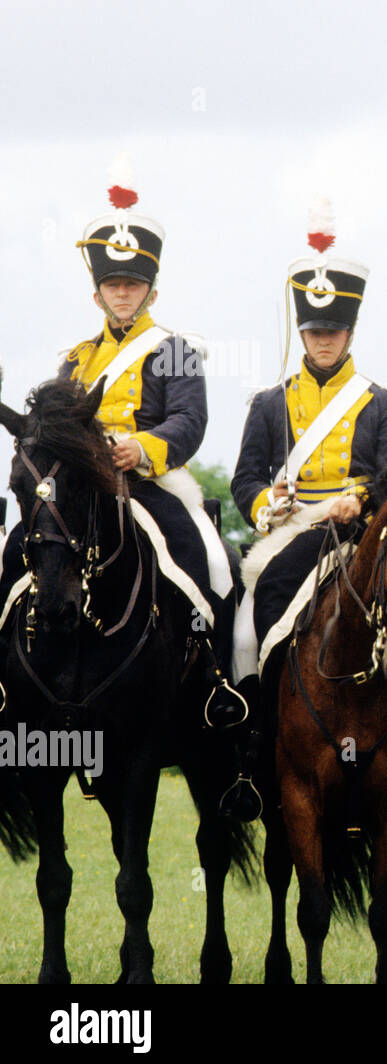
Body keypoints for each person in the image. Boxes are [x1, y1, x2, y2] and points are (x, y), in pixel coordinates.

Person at [0, 156, 242, 727]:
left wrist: (142, 448)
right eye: (113, 283)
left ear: (151, 290)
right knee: (17, 552)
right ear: (97, 294)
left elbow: (189, 420)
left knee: (208, 557)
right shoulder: (75, 360)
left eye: (133, 283)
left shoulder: (176, 348)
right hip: (83, 490)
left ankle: (216, 679)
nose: (124, 292)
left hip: (150, 481)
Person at [229, 198, 387, 744]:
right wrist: (268, 503)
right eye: (314, 330)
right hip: (295, 534)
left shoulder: (383, 404)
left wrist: (359, 496)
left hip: (369, 536)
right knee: (245, 631)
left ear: (350, 332)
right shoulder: (269, 403)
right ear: (301, 332)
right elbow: (245, 480)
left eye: (333, 330)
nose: (323, 339)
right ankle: (254, 741)